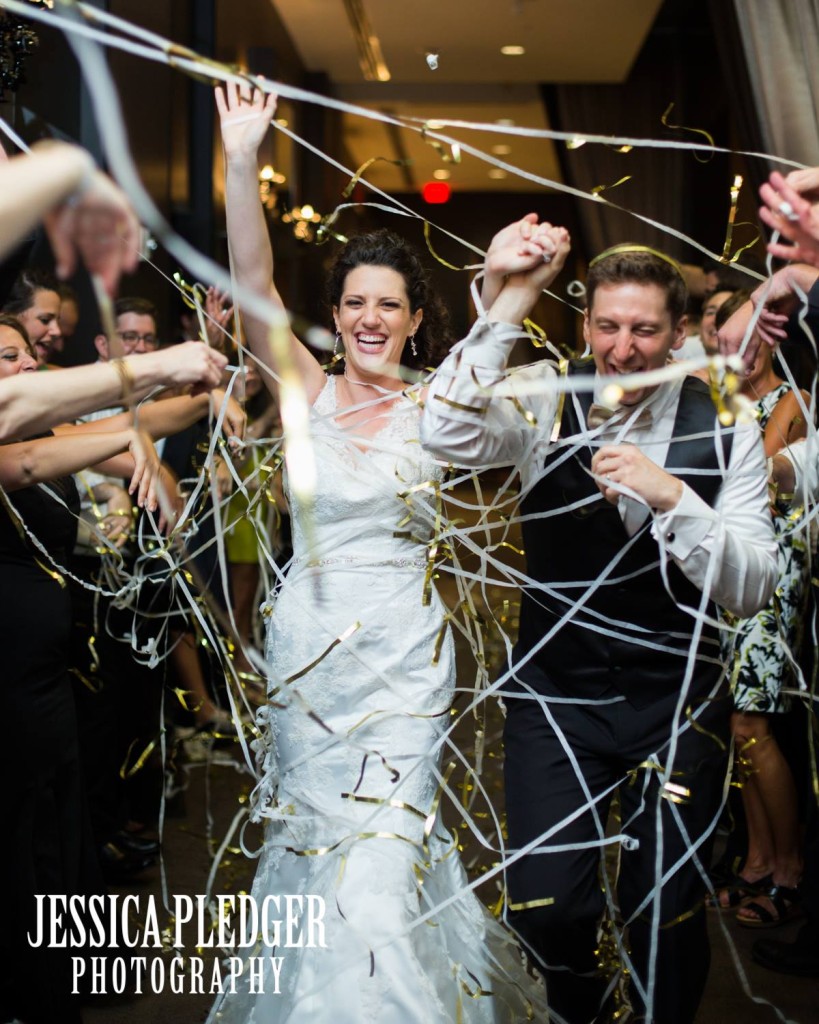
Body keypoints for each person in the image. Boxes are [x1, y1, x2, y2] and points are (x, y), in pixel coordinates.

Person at [208, 82, 550, 1022]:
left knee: (383, 863)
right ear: (337, 312)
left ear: (411, 320)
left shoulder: (439, 408)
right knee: (316, 853)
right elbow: (249, 285)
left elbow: (493, 345)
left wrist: (509, 282)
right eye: (353, 301)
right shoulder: (305, 393)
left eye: (387, 304)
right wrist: (241, 158)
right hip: (309, 656)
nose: (368, 317)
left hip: (404, 662)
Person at [421, 227, 777, 1024]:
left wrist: (673, 499)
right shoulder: (540, 398)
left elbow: (752, 585)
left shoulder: (729, 422)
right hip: (555, 700)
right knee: (548, 907)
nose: (622, 348)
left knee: (664, 914)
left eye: (644, 329)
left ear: (679, 333)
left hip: (678, 703)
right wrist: (505, 302)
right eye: (607, 327)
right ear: (585, 325)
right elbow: (442, 433)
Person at [710, 292, 809, 926]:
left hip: (770, 576)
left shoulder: (791, 401)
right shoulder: (718, 401)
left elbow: (752, 467)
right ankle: (754, 858)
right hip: (725, 569)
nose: (740, 357)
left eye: (751, 343)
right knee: (737, 728)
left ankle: (791, 869)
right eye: (727, 346)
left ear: (772, 340)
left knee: (755, 727)